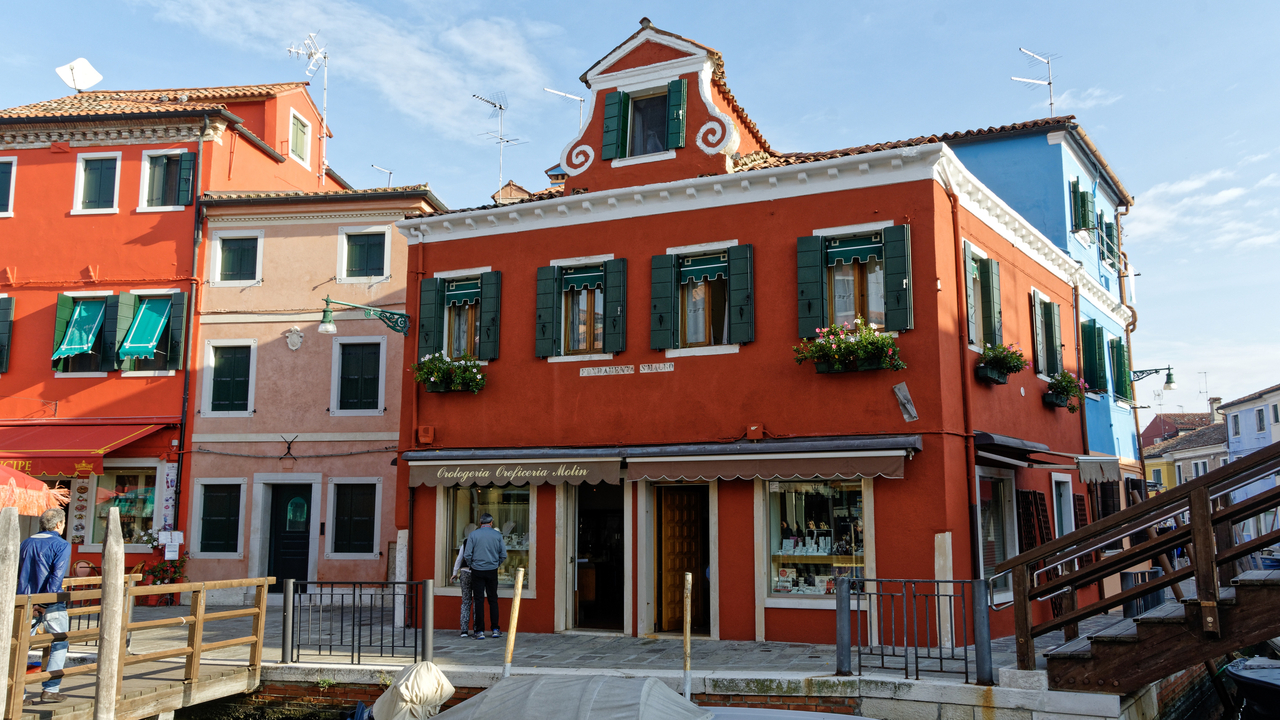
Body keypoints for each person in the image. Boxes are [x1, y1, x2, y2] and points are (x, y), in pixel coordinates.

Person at [17, 508, 70, 704]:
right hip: (50, 603)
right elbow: (56, 577)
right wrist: (44, 603)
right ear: (59, 524)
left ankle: (18, 693)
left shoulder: (26, 542)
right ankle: (51, 688)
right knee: (59, 642)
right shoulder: (61, 544)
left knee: (21, 646)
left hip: (24, 600)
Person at [463, 513, 506, 639]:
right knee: (493, 599)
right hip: (492, 570)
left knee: (479, 600)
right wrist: (496, 564)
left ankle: (479, 631)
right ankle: (495, 629)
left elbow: (467, 555)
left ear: (480, 522)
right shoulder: (497, 535)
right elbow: (503, 554)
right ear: (491, 522)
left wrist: (472, 565)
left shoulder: (473, 535)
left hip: (477, 570)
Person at [449, 534, 473, 638]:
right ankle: (477, 629)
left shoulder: (467, 541)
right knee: (477, 600)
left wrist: (455, 572)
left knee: (466, 601)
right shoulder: (482, 541)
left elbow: (459, 557)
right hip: (477, 572)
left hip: (464, 571)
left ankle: (464, 630)